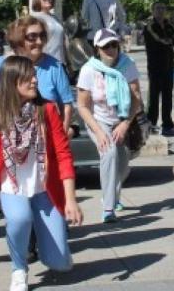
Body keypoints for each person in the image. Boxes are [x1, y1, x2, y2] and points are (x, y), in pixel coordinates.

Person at [0, 55, 83, 291]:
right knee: (19, 219)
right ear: (12, 82)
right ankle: (19, 268)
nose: (35, 81)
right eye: (28, 77)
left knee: (60, 263)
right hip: (11, 187)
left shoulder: (48, 110)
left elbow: (64, 156)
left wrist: (71, 200)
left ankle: (54, 250)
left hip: (45, 189)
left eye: (34, 76)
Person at [76, 28, 143, 222]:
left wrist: (124, 124)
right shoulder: (89, 69)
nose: (111, 49)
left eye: (114, 44)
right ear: (97, 48)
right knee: (109, 152)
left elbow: (136, 99)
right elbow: (82, 105)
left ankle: (114, 193)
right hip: (98, 120)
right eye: (106, 46)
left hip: (121, 119)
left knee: (122, 164)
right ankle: (108, 207)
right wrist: (98, 131)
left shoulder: (127, 64)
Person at [0, 16, 75, 134]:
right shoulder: (1, 66)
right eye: (32, 37)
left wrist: (62, 134)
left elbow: (66, 105)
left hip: (47, 138)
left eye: (42, 36)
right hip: (8, 140)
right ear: (18, 39)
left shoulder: (55, 67)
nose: (39, 41)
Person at [144, 2, 174, 136]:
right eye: (158, 8)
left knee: (167, 96)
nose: (160, 11)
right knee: (153, 97)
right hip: (155, 66)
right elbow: (159, 40)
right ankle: (151, 124)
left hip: (168, 65)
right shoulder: (149, 26)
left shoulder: (168, 25)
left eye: (163, 8)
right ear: (153, 11)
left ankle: (167, 125)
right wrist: (170, 41)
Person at [31, 0, 67, 64]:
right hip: (45, 62)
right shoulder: (36, 18)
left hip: (60, 61)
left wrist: (68, 61)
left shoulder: (55, 18)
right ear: (38, 1)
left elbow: (62, 41)